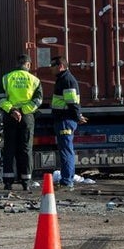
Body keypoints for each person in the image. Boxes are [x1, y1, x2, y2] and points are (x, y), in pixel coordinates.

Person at [0, 54, 43, 192]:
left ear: (17, 63)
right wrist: (23, 111)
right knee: (26, 149)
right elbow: (38, 101)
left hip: (10, 116)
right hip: (26, 117)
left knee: (9, 148)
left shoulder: (6, 78)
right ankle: (26, 181)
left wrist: (12, 110)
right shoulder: (34, 80)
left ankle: (8, 182)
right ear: (28, 65)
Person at [51, 56, 87, 190]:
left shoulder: (66, 80)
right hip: (64, 119)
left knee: (66, 150)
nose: (50, 68)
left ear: (60, 66)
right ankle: (67, 179)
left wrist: (77, 116)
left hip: (65, 120)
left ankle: (67, 180)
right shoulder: (63, 79)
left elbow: (72, 102)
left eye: (52, 65)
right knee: (66, 150)